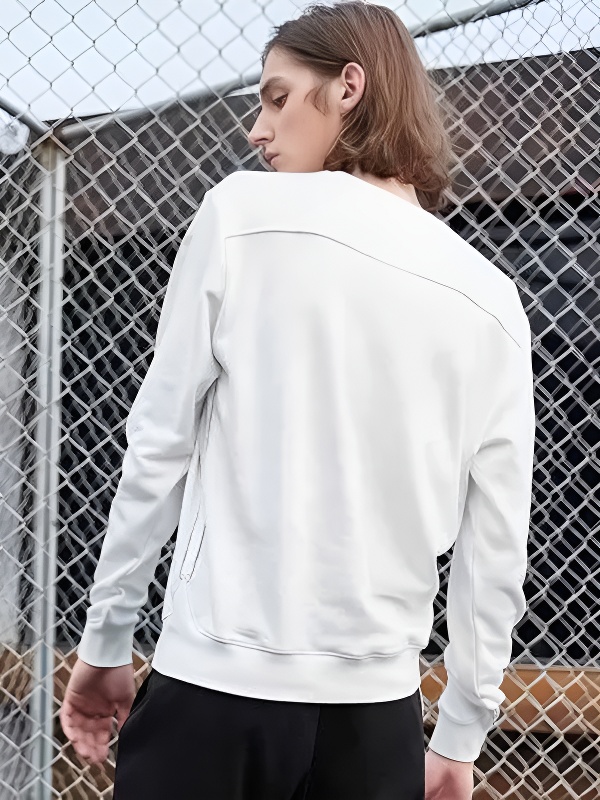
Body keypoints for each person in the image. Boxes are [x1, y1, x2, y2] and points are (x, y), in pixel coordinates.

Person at [59, 2, 536, 799]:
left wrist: (107, 638)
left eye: (277, 98)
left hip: (214, 689)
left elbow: (161, 443)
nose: (257, 129)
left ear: (349, 86)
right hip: (377, 719)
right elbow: (497, 541)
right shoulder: (492, 298)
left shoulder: (242, 216)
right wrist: (460, 732)